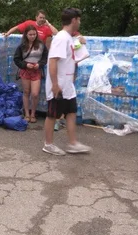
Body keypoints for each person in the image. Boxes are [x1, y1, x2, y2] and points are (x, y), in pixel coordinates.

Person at [43, 8, 91, 156]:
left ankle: (72, 143)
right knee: (53, 115)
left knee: (71, 112)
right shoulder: (61, 38)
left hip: (68, 85)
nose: (80, 22)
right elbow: (52, 61)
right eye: (79, 19)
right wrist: (55, 84)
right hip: (59, 84)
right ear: (74, 20)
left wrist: (81, 43)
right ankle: (48, 144)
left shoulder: (69, 38)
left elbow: (73, 55)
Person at [13, 25, 48, 123]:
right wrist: (25, 65)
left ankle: (33, 113)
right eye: (30, 34)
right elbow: (16, 59)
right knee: (26, 92)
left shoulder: (41, 45)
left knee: (35, 94)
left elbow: (45, 58)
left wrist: (39, 65)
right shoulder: (22, 46)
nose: (32, 36)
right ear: (26, 35)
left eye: (34, 34)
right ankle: (26, 113)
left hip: (36, 70)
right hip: (25, 70)